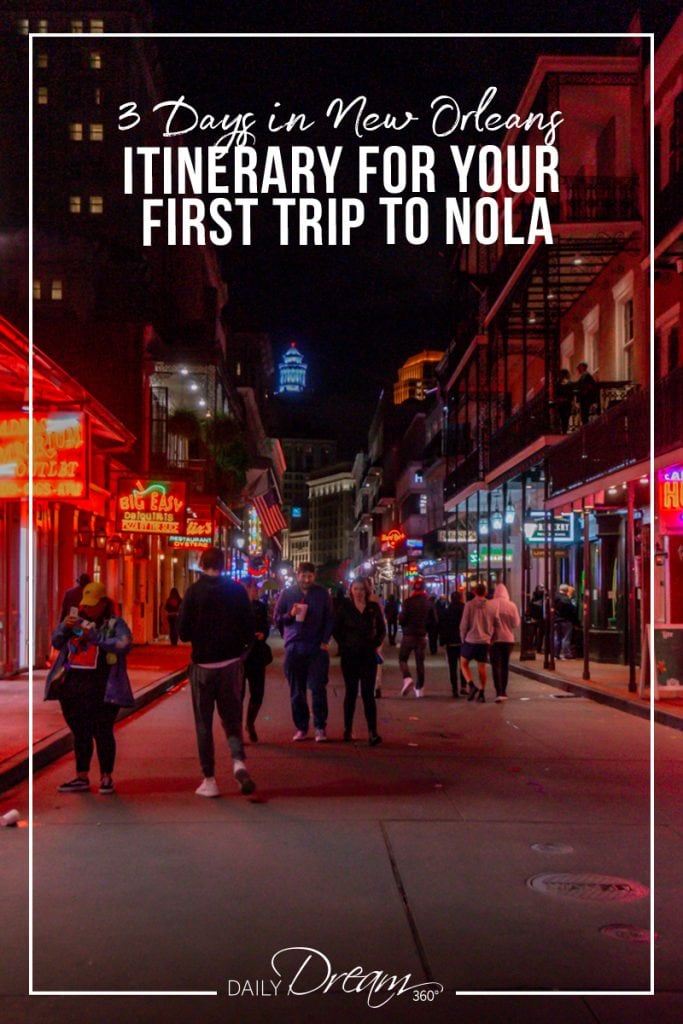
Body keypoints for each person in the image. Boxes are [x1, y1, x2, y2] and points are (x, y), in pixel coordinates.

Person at [178, 547, 256, 797]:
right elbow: (249, 629)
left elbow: (183, 632)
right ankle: (238, 762)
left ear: (202, 563)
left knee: (204, 723)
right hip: (230, 664)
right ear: (224, 564)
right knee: (231, 718)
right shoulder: (236, 591)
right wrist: (239, 653)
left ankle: (209, 779)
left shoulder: (193, 592)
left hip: (203, 665)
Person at [45, 580, 133, 795]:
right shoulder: (76, 622)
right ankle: (81, 776)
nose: (87, 609)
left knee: (102, 731)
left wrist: (95, 637)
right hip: (73, 686)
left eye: (92, 604)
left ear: (103, 603)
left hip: (103, 688)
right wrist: (64, 627)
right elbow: (56, 643)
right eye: (85, 604)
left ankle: (106, 777)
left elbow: (124, 644)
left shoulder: (114, 624)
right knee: (80, 732)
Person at [273, 561, 334, 741]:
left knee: (318, 688)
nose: (306, 579)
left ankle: (320, 727)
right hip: (294, 647)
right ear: (297, 575)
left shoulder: (322, 594)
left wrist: (325, 640)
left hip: (316, 647)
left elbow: (330, 618)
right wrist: (290, 615)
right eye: (303, 575)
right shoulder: (287, 594)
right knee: (297, 690)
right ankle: (301, 727)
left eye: (310, 576)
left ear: (314, 576)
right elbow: (277, 619)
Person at [333, 577, 386, 745]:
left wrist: (375, 643)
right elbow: (336, 629)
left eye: (361, 589)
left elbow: (382, 629)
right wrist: (344, 644)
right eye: (355, 589)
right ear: (351, 591)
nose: (358, 592)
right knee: (350, 692)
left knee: (367, 694)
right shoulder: (345, 608)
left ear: (366, 591)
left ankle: (372, 731)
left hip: (368, 655)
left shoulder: (373, 608)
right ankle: (347, 729)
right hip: (350, 655)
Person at [242, 580, 271, 743]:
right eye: (254, 588)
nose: (257, 591)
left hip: (257, 654)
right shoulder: (235, 606)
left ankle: (250, 723)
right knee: (238, 694)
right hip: (240, 655)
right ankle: (237, 729)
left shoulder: (260, 606)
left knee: (258, 692)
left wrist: (263, 634)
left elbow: (266, 625)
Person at [459, 582, 499, 702]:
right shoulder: (492, 606)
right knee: (482, 666)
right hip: (485, 641)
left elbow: (464, 625)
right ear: (486, 592)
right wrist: (492, 638)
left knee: (463, 663)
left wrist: (463, 639)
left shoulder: (469, 605)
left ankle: (471, 685)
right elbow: (497, 624)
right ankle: (482, 691)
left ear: (474, 592)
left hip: (471, 639)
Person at [398, 578, 437, 698]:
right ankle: (420, 688)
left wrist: (405, 624)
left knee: (403, 658)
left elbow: (402, 619)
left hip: (408, 635)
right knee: (420, 662)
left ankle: (407, 677)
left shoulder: (408, 602)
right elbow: (435, 621)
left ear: (413, 589)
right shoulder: (429, 603)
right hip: (421, 636)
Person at [489, 583, 521, 702]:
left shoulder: (490, 604)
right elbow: (516, 623)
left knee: (496, 665)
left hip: (494, 640)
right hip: (508, 639)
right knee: (505, 665)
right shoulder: (511, 606)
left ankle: (498, 691)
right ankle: (504, 691)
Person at [439, 591, 468, 697]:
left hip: (450, 642)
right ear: (461, 598)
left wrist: (442, 641)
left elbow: (442, 627)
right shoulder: (465, 610)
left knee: (452, 666)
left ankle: (454, 688)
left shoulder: (446, 611)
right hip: (463, 641)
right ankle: (464, 687)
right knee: (464, 665)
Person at [554, 583, 578, 660]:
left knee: (557, 637)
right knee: (566, 638)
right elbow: (572, 610)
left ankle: (556, 654)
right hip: (566, 620)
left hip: (556, 620)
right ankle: (566, 654)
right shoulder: (566, 599)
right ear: (566, 590)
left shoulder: (555, 598)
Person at [528, 585, 546, 653]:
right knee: (536, 634)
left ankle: (536, 647)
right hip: (538, 618)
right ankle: (534, 647)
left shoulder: (535, 599)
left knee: (538, 634)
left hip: (539, 618)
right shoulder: (538, 599)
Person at [554, 368, 573, 433]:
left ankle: (564, 430)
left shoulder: (569, 383)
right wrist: (559, 399)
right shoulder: (558, 383)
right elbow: (556, 393)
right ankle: (563, 429)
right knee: (562, 417)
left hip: (566, 403)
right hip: (561, 403)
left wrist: (565, 399)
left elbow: (571, 394)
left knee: (565, 417)